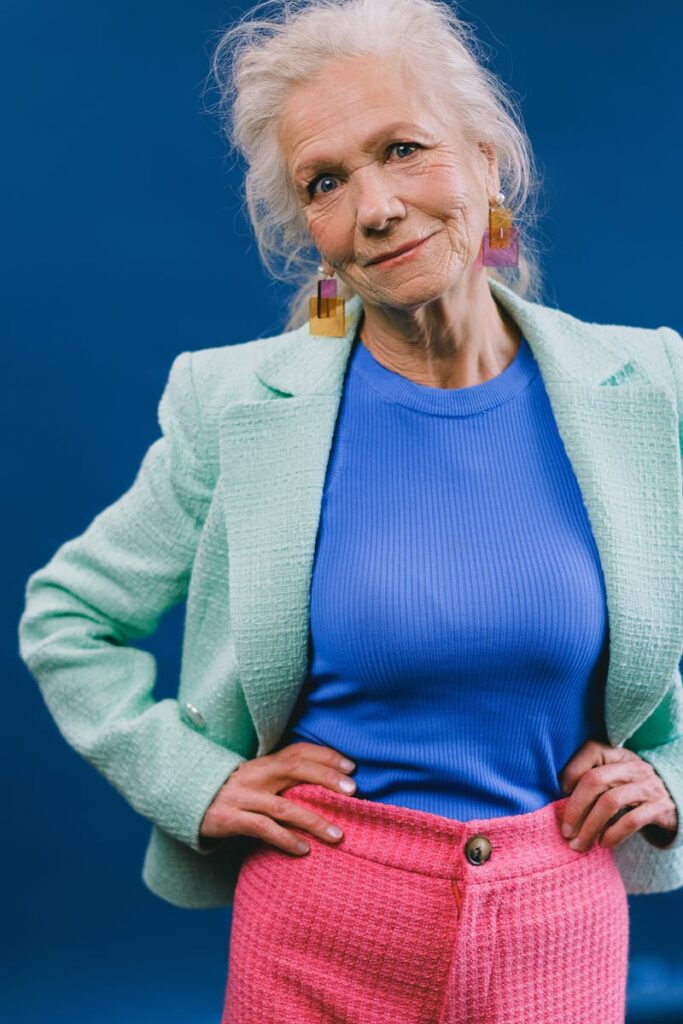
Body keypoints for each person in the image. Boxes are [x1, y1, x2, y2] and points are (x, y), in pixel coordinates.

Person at [18, 0, 683, 1021]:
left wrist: (674, 774)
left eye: (402, 150)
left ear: (486, 161)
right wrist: (191, 780)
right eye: (323, 183)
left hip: (559, 932)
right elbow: (67, 617)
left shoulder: (646, 386)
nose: (372, 207)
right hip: (316, 931)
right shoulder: (236, 406)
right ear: (311, 231)